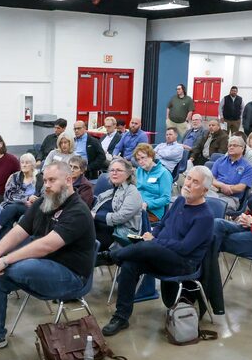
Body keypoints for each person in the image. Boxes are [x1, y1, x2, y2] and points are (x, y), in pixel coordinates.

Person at [0, 161, 96, 355]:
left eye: (52, 180)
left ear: (69, 180)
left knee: (21, 266)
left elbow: (46, 246)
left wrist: (5, 260)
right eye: (45, 180)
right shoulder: (45, 201)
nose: (46, 185)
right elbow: (18, 231)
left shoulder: (78, 211)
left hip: (71, 277)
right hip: (43, 267)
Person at [101, 167, 215, 337]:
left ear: (205, 190)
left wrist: (155, 241)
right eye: (188, 178)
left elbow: (185, 248)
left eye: (195, 182)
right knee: (130, 264)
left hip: (183, 263)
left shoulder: (205, 216)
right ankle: (121, 317)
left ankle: (110, 256)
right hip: (161, 254)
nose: (188, 183)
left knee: (149, 246)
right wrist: (152, 235)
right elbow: (162, 224)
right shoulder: (178, 201)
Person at [92, 157, 143, 257]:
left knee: (79, 245)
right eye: (112, 170)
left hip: (117, 235)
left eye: (119, 170)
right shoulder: (108, 193)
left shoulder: (132, 192)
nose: (114, 173)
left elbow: (120, 217)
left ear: (128, 174)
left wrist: (96, 216)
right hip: (97, 229)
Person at [0, 153, 42, 237]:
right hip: (14, 206)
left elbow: (44, 196)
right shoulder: (15, 177)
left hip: (31, 208)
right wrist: (26, 199)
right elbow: (8, 195)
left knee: (12, 208)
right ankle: (5, 247)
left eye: (27, 163)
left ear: (33, 165)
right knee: (9, 219)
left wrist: (35, 200)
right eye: (22, 162)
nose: (24, 165)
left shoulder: (40, 178)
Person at [209, 135, 252, 212]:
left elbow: (241, 187)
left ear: (242, 148)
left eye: (235, 145)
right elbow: (211, 179)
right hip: (214, 192)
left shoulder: (248, 167)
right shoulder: (220, 161)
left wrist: (228, 188)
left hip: (232, 198)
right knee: (198, 200)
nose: (231, 147)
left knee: (216, 206)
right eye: (229, 145)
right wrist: (223, 186)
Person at [134, 143, 173, 223]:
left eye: (143, 158)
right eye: (138, 159)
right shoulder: (139, 170)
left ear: (151, 156)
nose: (141, 161)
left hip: (152, 211)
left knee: (126, 220)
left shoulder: (163, 173)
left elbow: (166, 199)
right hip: (136, 206)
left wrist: (147, 204)